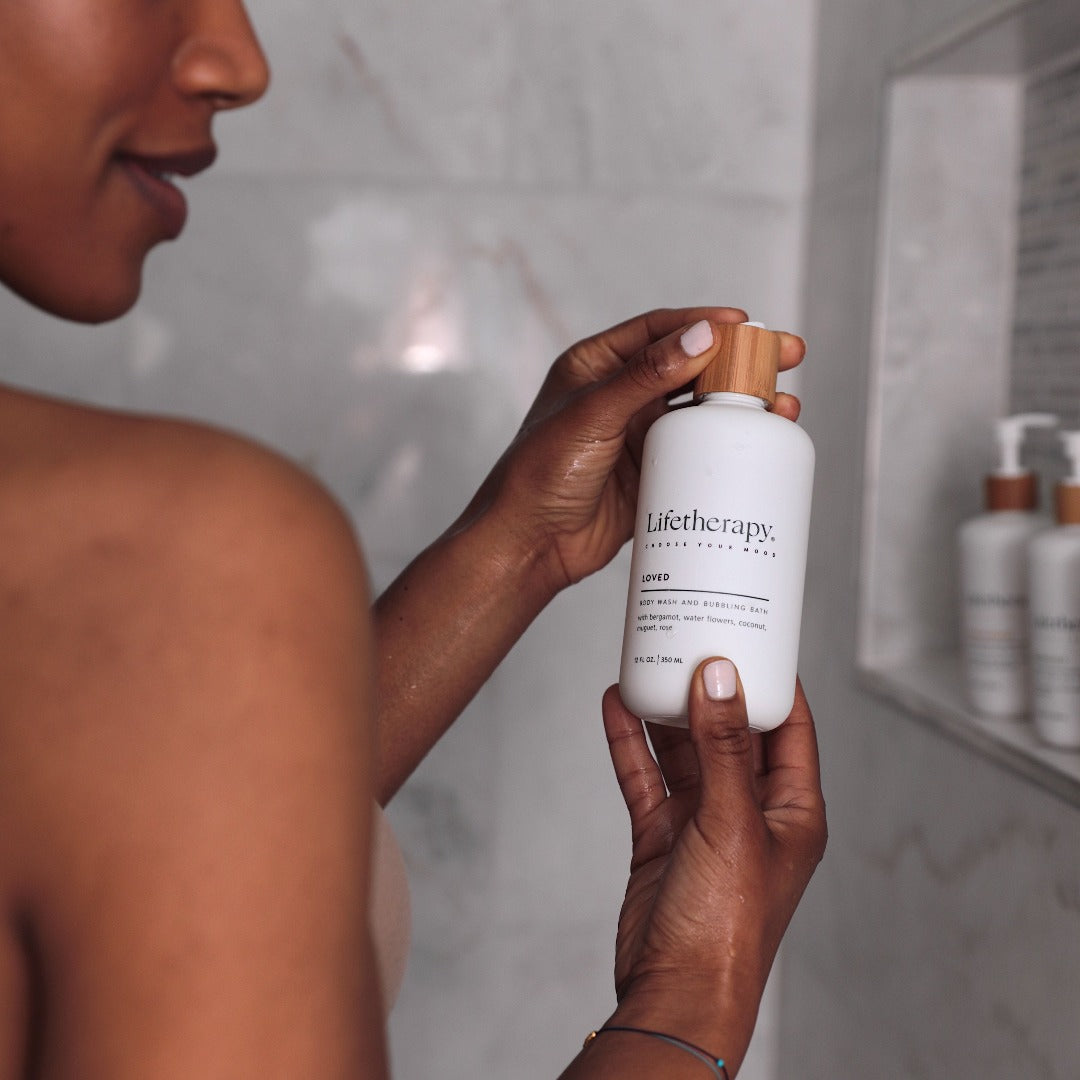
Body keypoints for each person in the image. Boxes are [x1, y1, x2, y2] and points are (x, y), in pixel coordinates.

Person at [0, 1, 827, 1077]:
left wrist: (521, 544)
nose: (240, 63)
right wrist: (697, 991)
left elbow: (194, 812)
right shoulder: (191, 541)